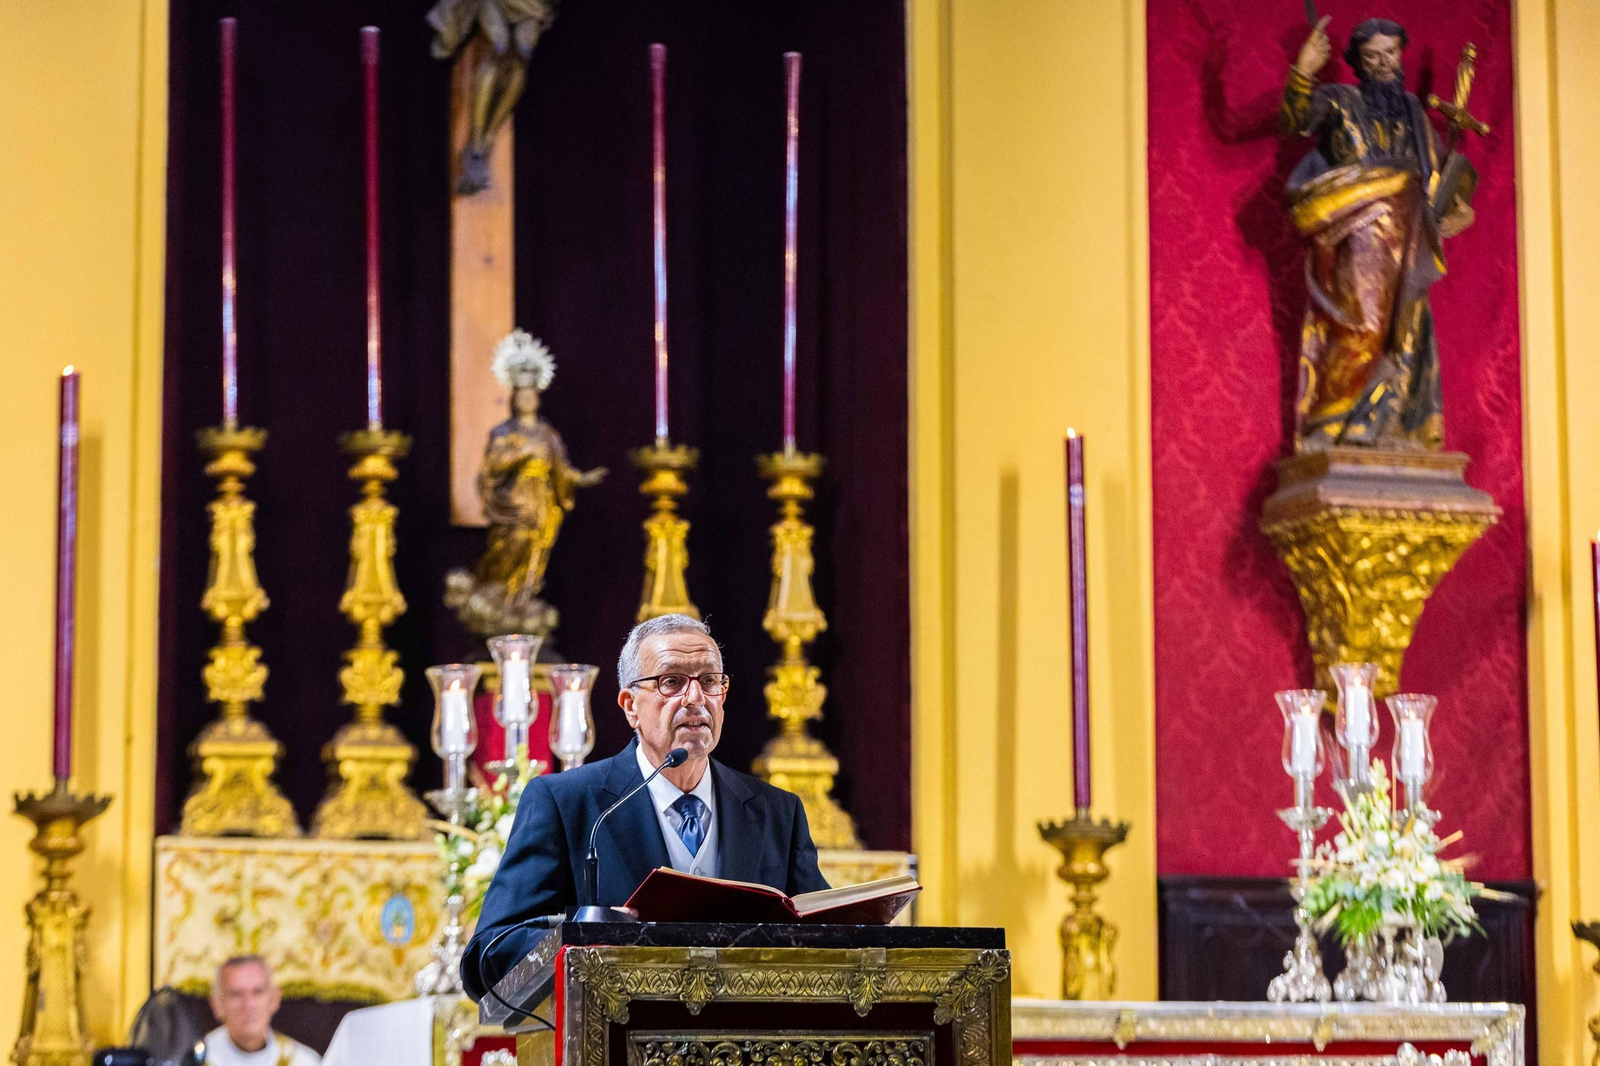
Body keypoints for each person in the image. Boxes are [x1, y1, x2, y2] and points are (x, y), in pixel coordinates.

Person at [461, 614, 828, 1001]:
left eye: (709, 681)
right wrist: (588, 944)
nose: (695, 699)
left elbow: (826, 939)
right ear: (630, 706)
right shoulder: (568, 804)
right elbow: (490, 953)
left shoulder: (775, 812)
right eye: (671, 682)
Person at [1281, 16, 1478, 451]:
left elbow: (1442, 183)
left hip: (1409, 244)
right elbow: (1295, 121)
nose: (1384, 63)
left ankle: (1384, 427)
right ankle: (1333, 423)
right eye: (1373, 56)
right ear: (1358, 63)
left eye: (1391, 53)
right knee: (1362, 326)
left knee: (1404, 335)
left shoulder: (1414, 113)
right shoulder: (1339, 100)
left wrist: (1459, 212)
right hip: (1359, 235)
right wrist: (1303, 72)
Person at [180, 956, 319, 1066]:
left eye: (258, 992)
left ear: (274, 999)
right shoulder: (194, 1060)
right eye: (235, 994)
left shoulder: (302, 1061)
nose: (248, 1004)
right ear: (217, 1004)